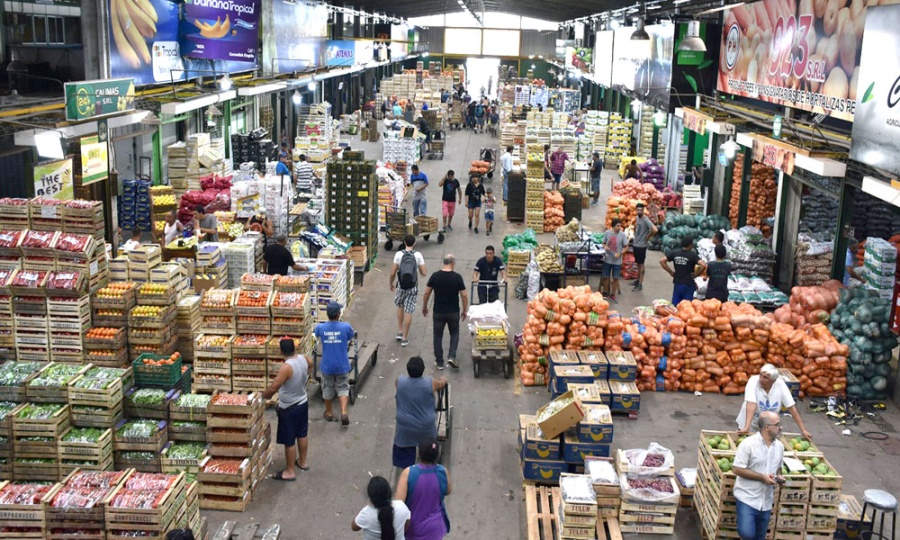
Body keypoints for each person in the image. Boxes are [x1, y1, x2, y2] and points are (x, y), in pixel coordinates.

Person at [264, 337, 313, 481]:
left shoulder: (286, 367)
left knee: (289, 439)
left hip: (289, 408)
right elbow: (311, 366)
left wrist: (262, 396)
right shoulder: (304, 359)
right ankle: (303, 462)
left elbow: (275, 386)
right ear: (294, 348)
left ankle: (290, 471)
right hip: (302, 402)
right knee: (302, 433)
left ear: (281, 351)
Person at [732, 411, 784, 540]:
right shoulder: (748, 444)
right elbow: (737, 468)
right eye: (777, 424)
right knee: (747, 534)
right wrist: (762, 477)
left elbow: (778, 468)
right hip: (747, 497)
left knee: (760, 537)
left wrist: (779, 477)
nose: (780, 427)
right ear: (767, 427)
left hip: (766, 500)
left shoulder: (779, 447)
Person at [394, 357, 448, 469]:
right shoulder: (430, 383)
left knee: (406, 464)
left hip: (405, 428)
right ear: (423, 370)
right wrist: (444, 379)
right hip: (425, 427)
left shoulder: (399, 381)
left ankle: (408, 473)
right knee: (429, 455)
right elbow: (441, 384)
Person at [736, 364, 813, 441]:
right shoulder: (753, 381)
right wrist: (746, 427)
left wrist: (803, 430)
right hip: (750, 423)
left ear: (773, 380)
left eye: (765, 377)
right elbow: (751, 403)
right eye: (761, 376)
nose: (761, 379)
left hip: (767, 427)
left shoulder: (780, 385)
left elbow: (791, 408)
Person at [395, 440, 452, 540]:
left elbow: (398, 504)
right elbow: (448, 490)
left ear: (419, 453)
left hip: (412, 529)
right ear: (436, 456)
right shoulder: (442, 471)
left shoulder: (408, 473)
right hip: (435, 529)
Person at [422, 255, 468, 370]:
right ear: (452, 263)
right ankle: (451, 356)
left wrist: (425, 306)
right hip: (453, 312)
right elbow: (464, 295)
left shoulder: (435, 276)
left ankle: (439, 362)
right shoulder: (457, 277)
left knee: (437, 335)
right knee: (454, 333)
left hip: (438, 312)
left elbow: (427, 292)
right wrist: (464, 310)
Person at [313, 302, 355, 426]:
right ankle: (343, 412)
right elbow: (350, 337)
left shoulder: (321, 328)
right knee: (343, 387)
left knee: (327, 387)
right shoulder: (345, 327)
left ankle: (329, 412)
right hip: (342, 364)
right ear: (338, 314)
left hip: (327, 365)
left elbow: (315, 333)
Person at [391, 235, 428, 347]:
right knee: (409, 311)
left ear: (404, 242)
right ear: (415, 243)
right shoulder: (418, 255)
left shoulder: (398, 254)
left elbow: (393, 273)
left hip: (401, 285)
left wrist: (391, 284)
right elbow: (424, 273)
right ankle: (405, 338)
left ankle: (399, 331)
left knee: (400, 306)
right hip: (412, 286)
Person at [660, 236, 705, 305]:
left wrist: (671, 272)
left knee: (676, 305)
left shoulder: (675, 253)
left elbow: (662, 261)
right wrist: (696, 274)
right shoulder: (692, 255)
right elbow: (703, 265)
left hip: (677, 282)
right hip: (688, 284)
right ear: (690, 245)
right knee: (687, 306)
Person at [631, 203, 657, 292]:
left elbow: (655, 229)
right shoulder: (638, 218)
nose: (639, 211)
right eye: (638, 210)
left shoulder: (646, 219)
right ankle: (637, 280)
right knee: (638, 264)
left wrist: (648, 237)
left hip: (642, 246)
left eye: (641, 210)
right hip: (636, 244)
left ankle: (640, 284)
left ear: (643, 210)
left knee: (641, 264)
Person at [602, 219, 626, 304]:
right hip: (608, 259)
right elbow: (603, 243)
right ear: (613, 226)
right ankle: (605, 293)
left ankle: (613, 294)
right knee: (606, 277)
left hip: (617, 261)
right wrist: (605, 247)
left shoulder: (623, 235)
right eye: (617, 226)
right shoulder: (607, 233)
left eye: (620, 226)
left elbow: (626, 247)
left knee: (616, 278)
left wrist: (620, 253)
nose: (619, 228)